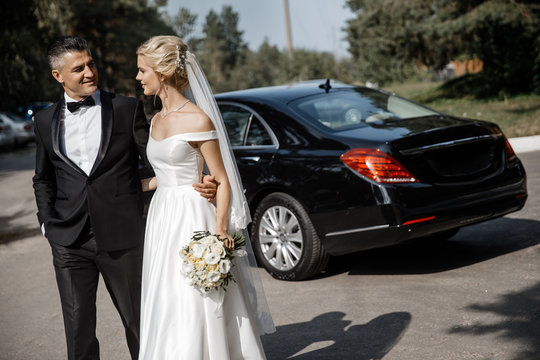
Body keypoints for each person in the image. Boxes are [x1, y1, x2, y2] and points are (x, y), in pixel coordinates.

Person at [32, 36, 216, 360]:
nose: (90, 72)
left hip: (123, 236)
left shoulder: (126, 108)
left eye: (91, 64)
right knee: (78, 330)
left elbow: (161, 158)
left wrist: (199, 178)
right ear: (58, 76)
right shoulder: (44, 121)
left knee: (139, 323)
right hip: (69, 240)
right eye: (79, 69)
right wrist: (48, 224)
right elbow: (43, 179)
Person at [135, 35, 275, 359]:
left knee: (194, 299)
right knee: (165, 296)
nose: (139, 77)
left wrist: (220, 228)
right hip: (161, 218)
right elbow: (162, 176)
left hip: (190, 215)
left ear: (163, 71)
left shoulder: (197, 119)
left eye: (143, 70)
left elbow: (223, 180)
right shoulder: (156, 119)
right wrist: (128, 189)